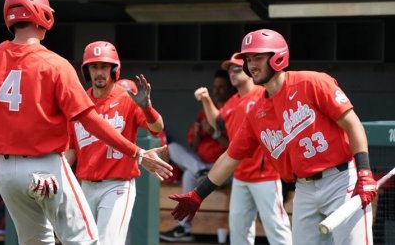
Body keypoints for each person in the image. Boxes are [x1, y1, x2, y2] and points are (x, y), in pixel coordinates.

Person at [0, 0, 172, 245]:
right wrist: (137, 153)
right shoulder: (55, 64)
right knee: (88, 242)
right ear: (42, 13)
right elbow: (91, 121)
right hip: (47, 167)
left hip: (5, 173)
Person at [169, 29, 377, 245]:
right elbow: (230, 158)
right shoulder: (256, 113)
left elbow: (353, 124)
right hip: (303, 189)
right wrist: (198, 194)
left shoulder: (312, 82)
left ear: (278, 57)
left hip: (340, 180)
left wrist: (364, 171)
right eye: (248, 59)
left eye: (258, 57)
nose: (252, 65)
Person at [65, 41, 164, 245]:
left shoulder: (126, 98)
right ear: (87, 71)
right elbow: (71, 150)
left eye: (104, 66)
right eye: (94, 67)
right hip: (86, 187)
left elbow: (157, 128)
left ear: (114, 69)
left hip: (117, 185)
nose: (99, 72)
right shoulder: (79, 104)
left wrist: (147, 108)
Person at [194, 55, 292, 245]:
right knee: (239, 231)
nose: (232, 73)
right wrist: (206, 100)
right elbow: (219, 123)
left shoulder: (262, 93)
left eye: (237, 69)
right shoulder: (232, 101)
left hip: (265, 175)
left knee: (277, 228)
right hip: (240, 175)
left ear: (248, 71)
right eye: (229, 70)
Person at [159, 69, 234, 242]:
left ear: (230, 88)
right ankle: (199, 172)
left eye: (221, 87)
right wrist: (200, 133)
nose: (217, 91)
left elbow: (235, 149)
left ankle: (185, 227)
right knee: (173, 148)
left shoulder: (232, 110)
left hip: (224, 170)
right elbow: (192, 147)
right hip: (202, 165)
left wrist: (215, 133)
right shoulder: (204, 113)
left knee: (188, 174)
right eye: (215, 87)